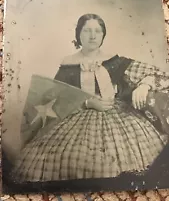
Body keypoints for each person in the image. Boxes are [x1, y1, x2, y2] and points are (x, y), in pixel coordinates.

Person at [10, 13, 169, 182]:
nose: (92, 36)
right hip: (77, 116)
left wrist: (144, 85)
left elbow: (158, 75)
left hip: (118, 118)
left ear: (103, 35)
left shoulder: (114, 61)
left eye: (97, 31)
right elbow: (58, 99)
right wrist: (86, 102)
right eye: (87, 31)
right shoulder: (68, 64)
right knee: (69, 158)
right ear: (78, 34)